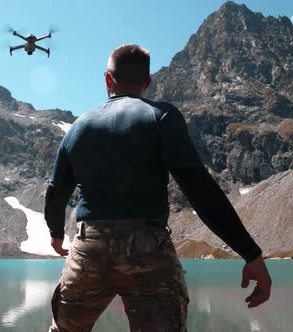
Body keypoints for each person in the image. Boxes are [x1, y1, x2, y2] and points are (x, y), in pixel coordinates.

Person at [44, 44, 272, 332]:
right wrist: (251, 253)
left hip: (89, 248)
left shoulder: (78, 127)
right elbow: (200, 190)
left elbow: (55, 195)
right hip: (147, 249)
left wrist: (55, 234)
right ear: (147, 82)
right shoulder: (162, 117)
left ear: (107, 79)